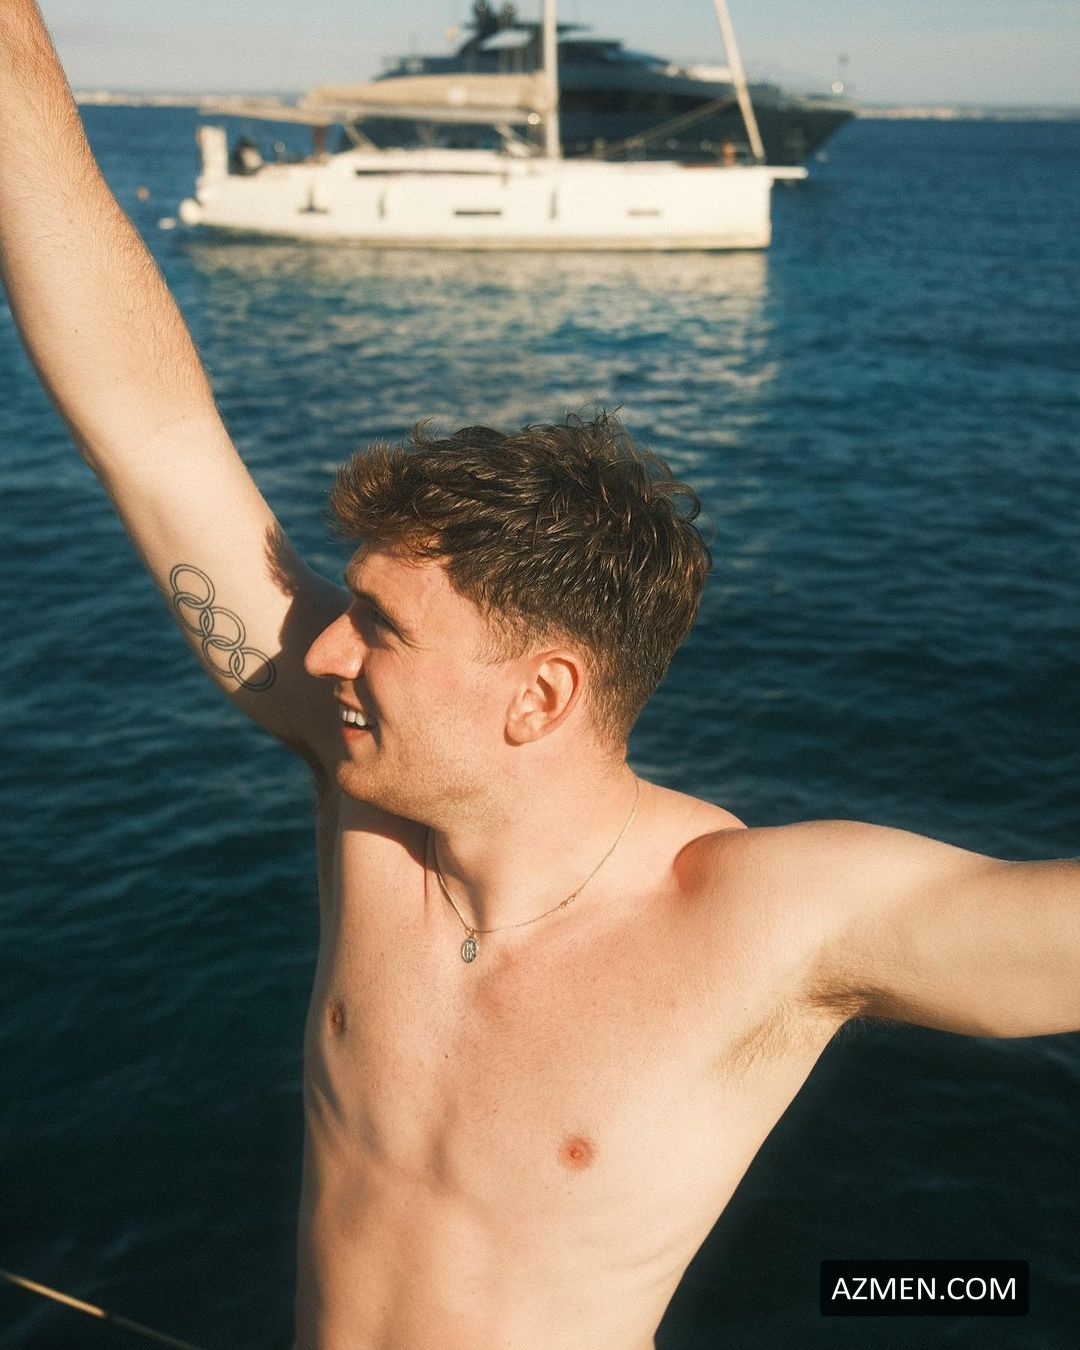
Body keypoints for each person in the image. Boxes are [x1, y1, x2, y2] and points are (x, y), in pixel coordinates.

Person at [1, 4, 1076, 1347]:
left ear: (544, 696)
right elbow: (150, 426)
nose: (321, 647)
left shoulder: (764, 926)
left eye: (380, 627)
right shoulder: (371, 791)